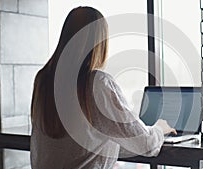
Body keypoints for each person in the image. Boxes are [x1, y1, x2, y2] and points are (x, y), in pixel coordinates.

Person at [30, 6, 176, 169]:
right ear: (100, 43)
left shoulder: (43, 79)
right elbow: (146, 144)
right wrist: (159, 128)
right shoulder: (96, 83)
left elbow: (80, 145)